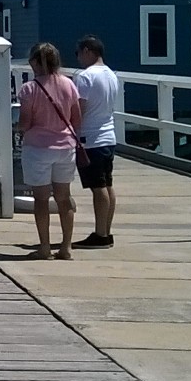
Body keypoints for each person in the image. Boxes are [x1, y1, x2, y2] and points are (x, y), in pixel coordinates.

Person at [15, 42, 81, 260]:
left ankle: (44, 247)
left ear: (35, 62)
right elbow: (76, 119)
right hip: (65, 147)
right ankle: (66, 247)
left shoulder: (29, 89)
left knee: (41, 199)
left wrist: (16, 127)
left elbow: (25, 123)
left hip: (38, 149)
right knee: (64, 198)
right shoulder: (68, 84)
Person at [72, 35, 119, 248]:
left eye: (78, 53)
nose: (78, 58)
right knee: (107, 185)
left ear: (87, 51)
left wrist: (71, 131)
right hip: (108, 135)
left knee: (98, 187)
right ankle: (106, 232)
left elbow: (79, 109)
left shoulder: (85, 76)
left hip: (91, 138)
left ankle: (100, 235)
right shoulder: (111, 75)